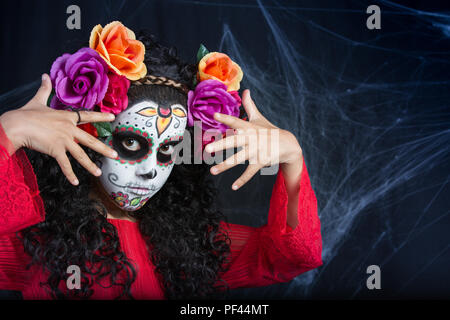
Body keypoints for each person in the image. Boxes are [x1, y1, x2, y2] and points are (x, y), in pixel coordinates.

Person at [0, 23, 322, 299]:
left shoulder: (188, 245)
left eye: (168, 149)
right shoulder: (35, 238)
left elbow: (289, 258)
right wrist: (8, 134)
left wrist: (292, 157)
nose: (151, 170)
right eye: (130, 142)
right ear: (85, 133)